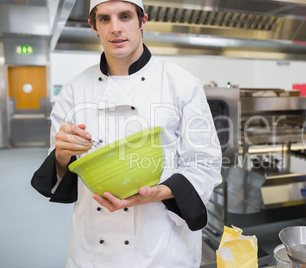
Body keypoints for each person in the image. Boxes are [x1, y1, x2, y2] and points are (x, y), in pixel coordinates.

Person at [31, 0, 222, 267]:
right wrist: (62, 156)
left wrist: (158, 192)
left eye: (124, 16)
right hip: (94, 249)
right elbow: (60, 170)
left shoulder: (182, 84)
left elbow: (205, 164)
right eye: (105, 19)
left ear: (143, 21)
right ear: (93, 26)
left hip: (161, 245)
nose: (116, 28)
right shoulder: (75, 91)